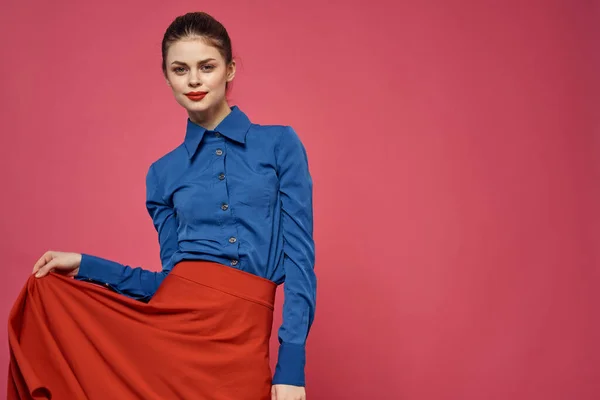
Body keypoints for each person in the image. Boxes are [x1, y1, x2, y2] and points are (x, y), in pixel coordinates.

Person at [7, 11, 316, 400]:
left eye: (207, 66)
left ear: (230, 69)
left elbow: (301, 261)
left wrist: (291, 363)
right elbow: (171, 282)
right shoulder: (162, 174)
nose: (194, 80)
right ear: (167, 77)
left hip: (241, 346)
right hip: (168, 339)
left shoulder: (280, 145)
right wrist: (86, 265)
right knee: (46, 309)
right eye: (179, 69)